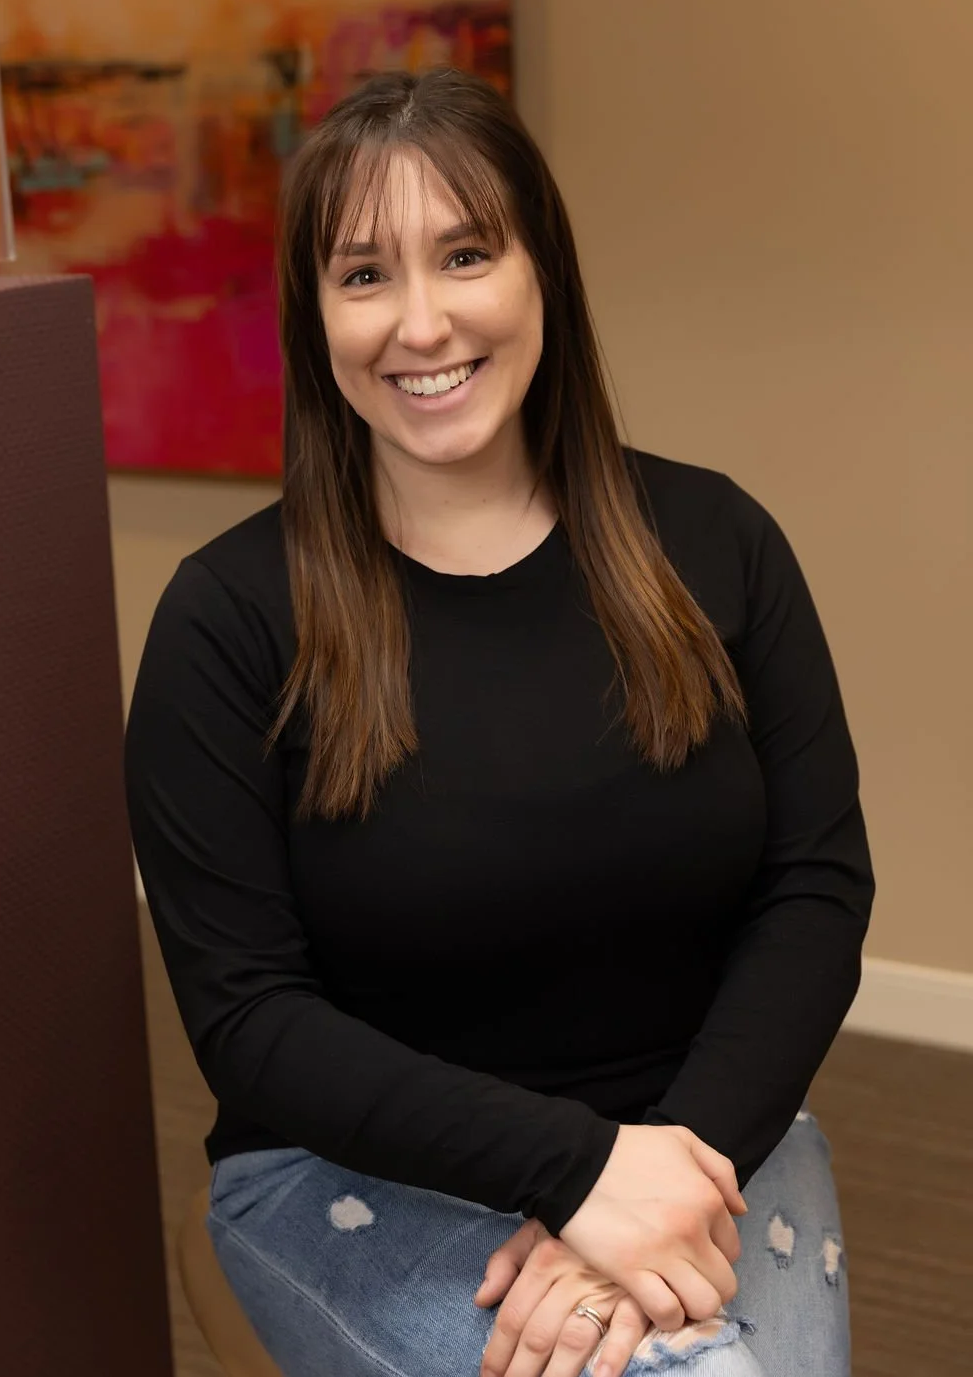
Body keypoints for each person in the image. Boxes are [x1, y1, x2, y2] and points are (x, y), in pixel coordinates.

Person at [124, 67, 874, 1377]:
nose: (422, 322)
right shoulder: (227, 618)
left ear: (543, 276)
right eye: (364, 276)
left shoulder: (719, 541)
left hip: (711, 1142)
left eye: (466, 254)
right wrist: (581, 1176)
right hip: (353, 1170)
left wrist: (653, 1179)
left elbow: (815, 888)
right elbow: (248, 1018)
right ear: (315, 319)